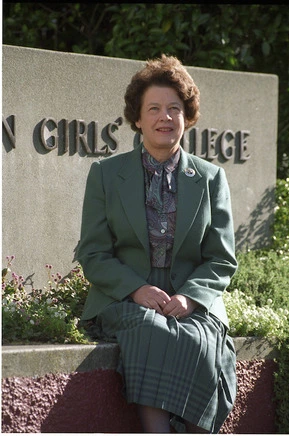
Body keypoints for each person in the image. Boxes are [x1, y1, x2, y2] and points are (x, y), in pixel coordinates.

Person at [77, 54, 238, 434]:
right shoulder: (105, 174)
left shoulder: (211, 178)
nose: (165, 117)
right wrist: (136, 289)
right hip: (124, 299)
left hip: (189, 298)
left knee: (202, 340)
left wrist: (190, 297)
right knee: (152, 330)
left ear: (187, 116)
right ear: (137, 118)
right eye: (154, 109)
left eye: (174, 109)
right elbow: (93, 253)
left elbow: (221, 258)